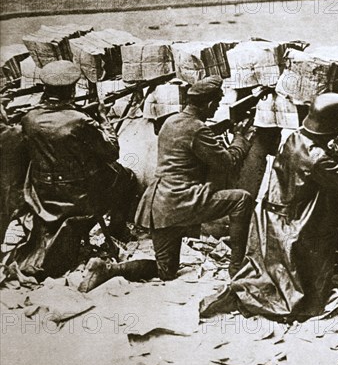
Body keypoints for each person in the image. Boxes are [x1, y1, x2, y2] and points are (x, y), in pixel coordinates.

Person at [199, 93, 338, 321]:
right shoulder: (316, 157)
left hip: (271, 219)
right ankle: (252, 300)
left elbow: (324, 159)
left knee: (264, 275)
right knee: (301, 297)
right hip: (295, 226)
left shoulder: (294, 138)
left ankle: (240, 294)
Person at [79, 75, 255, 292]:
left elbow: (187, 143)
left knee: (166, 271)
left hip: (159, 206)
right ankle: (236, 268)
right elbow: (227, 162)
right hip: (183, 201)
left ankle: (108, 269)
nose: (216, 108)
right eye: (216, 104)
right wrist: (241, 137)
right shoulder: (198, 130)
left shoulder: (170, 122)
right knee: (242, 200)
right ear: (209, 104)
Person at [7, 60, 138, 278]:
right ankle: (117, 229)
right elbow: (111, 151)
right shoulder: (80, 121)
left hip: (42, 195)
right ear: (71, 88)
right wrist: (103, 118)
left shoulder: (29, 119)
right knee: (127, 176)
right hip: (79, 197)